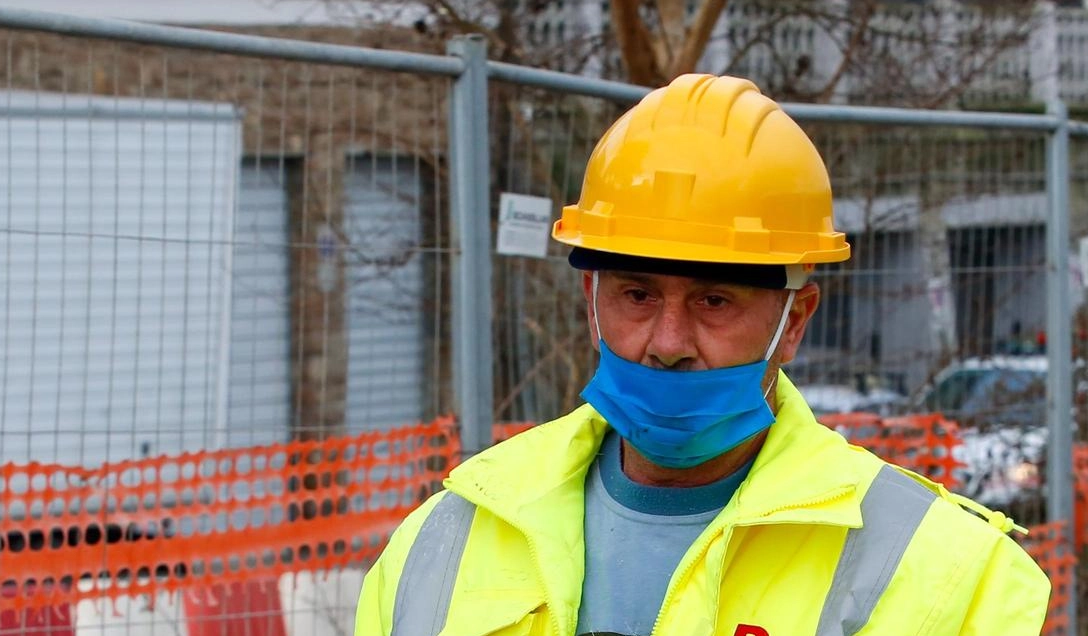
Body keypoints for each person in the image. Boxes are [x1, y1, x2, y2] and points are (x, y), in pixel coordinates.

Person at [354, 74, 1050, 636]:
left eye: (715, 301)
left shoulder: (954, 576)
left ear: (795, 320)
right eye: (636, 295)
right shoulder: (446, 538)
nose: (667, 343)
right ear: (589, 302)